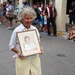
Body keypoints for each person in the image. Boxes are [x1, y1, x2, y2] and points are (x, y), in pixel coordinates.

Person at [9, 6, 44, 75]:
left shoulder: (35, 29)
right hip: (23, 60)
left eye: (31, 18)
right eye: (27, 18)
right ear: (22, 19)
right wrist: (19, 52)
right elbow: (11, 46)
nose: (29, 20)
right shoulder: (17, 30)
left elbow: (38, 43)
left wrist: (41, 48)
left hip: (35, 59)